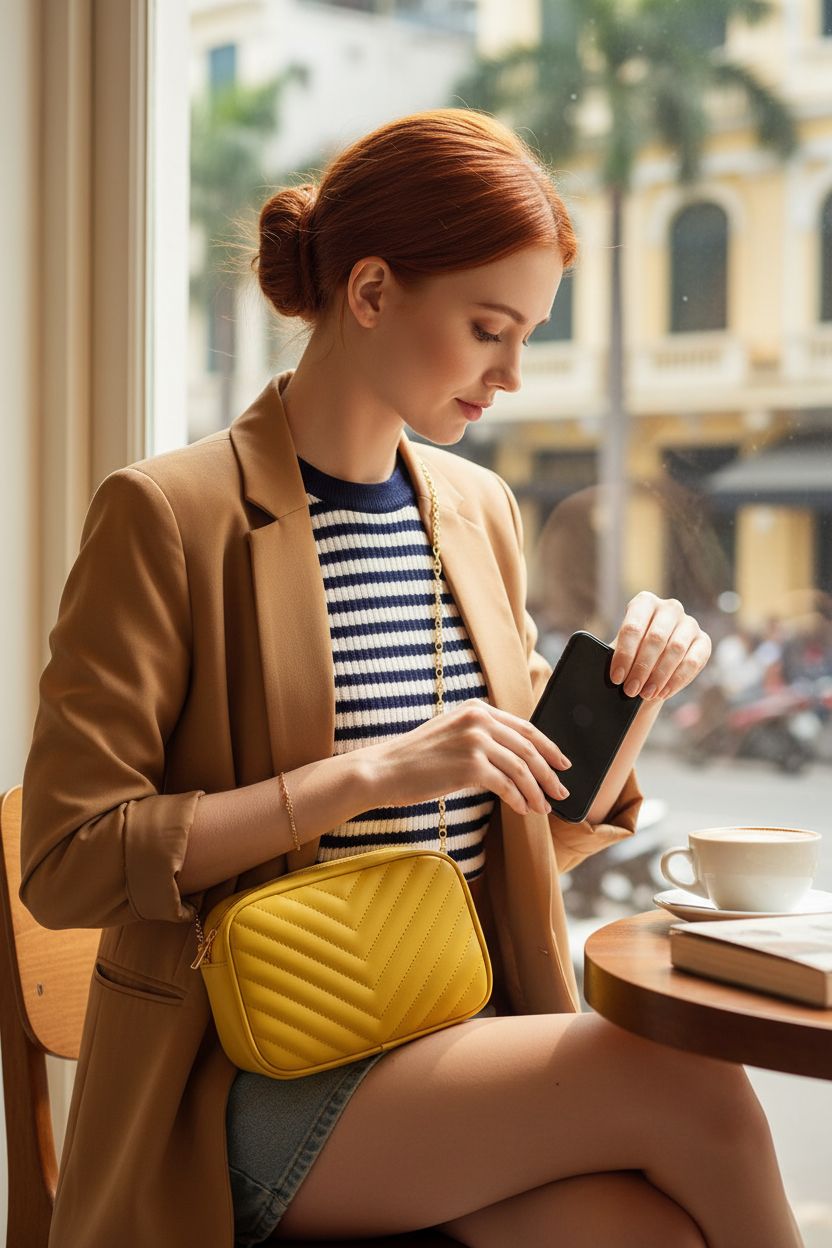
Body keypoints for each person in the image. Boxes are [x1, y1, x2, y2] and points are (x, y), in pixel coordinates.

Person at [18, 108, 801, 1248]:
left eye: (528, 334)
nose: (513, 375)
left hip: (453, 1031)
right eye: (490, 328)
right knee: (691, 1087)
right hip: (248, 1074)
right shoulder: (167, 515)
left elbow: (531, 824)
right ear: (372, 292)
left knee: (650, 1230)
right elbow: (66, 864)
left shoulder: (475, 509)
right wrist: (364, 776)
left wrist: (635, 695)